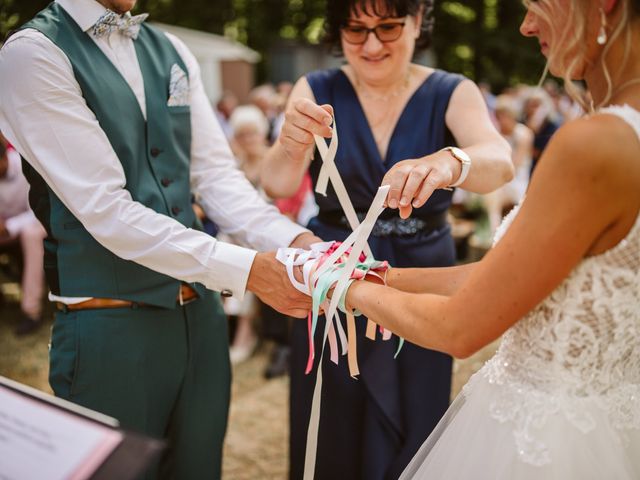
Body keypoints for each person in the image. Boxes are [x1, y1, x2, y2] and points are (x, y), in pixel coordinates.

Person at [0, 1, 318, 478]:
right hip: (110, 326)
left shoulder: (171, 49)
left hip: (203, 322)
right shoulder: (32, 54)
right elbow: (107, 211)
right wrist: (251, 271)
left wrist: (300, 243)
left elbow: (215, 177)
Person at [343, 0, 640, 476]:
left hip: (543, 440)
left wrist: (338, 287)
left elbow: (458, 329)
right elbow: (507, 281)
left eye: (535, 5)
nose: (525, 25)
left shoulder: (596, 144)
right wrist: (382, 276)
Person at [261, 0, 513, 477]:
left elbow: (499, 160)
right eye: (355, 30)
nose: (371, 45)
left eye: (388, 27)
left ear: (418, 22)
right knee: (334, 415)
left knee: (417, 413)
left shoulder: (451, 90)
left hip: (423, 274)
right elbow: (275, 183)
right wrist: (290, 144)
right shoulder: (316, 88)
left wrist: (448, 163)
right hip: (336, 274)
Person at [0, 137, 47, 335]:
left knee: (30, 235)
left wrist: (9, 226)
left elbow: (37, 210)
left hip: (34, 223)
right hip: (5, 230)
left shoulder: (24, 167)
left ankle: (32, 310)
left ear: (3, 158)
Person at [484, 94, 534, 234]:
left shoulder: (523, 134)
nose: (500, 120)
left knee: (498, 193)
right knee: (491, 197)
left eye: (503, 116)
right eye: (498, 116)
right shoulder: (496, 134)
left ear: (512, 115)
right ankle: (494, 235)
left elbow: (515, 165)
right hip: (500, 178)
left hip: (517, 179)